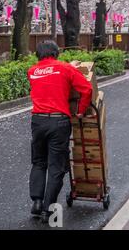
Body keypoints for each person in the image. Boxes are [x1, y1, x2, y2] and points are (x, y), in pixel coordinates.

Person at [28, 40, 92, 223]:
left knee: (39, 162)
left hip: (38, 121)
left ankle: (37, 202)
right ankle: (49, 209)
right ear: (56, 53)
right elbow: (86, 89)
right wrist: (80, 110)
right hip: (59, 121)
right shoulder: (65, 68)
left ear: (38, 54)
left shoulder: (32, 71)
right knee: (56, 166)